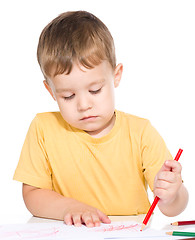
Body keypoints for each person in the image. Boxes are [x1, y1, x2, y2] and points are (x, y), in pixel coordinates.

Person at [13, 11, 188, 228]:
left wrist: (172, 194)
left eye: (95, 90)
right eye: (68, 96)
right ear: (51, 91)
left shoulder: (140, 132)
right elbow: (32, 195)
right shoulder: (43, 129)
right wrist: (70, 208)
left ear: (116, 76)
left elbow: (172, 208)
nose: (84, 105)